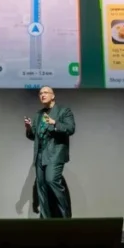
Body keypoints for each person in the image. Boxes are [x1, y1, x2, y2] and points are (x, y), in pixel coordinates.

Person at [24, 86, 75, 218]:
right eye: (40, 93)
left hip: (55, 153)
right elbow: (33, 136)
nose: (43, 95)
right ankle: (45, 220)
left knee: (51, 180)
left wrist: (54, 123)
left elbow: (70, 128)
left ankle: (65, 217)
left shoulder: (64, 111)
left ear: (53, 96)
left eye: (46, 92)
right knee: (41, 187)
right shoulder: (38, 115)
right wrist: (29, 128)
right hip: (40, 155)